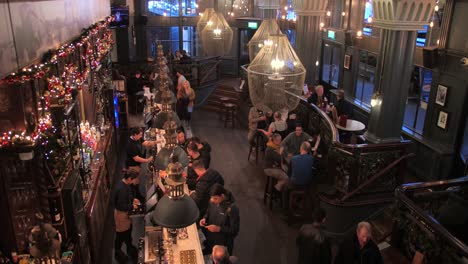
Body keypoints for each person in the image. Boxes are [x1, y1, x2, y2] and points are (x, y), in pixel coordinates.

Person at [200, 184, 240, 255]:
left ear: (222, 196)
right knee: (209, 247)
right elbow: (208, 211)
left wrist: (219, 229)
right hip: (211, 237)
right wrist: (205, 218)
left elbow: (235, 230)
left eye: (215, 198)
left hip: (222, 243)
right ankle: (209, 249)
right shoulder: (212, 201)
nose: (212, 200)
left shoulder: (232, 209)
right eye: (211, 198)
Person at [113, 169, 140, 263]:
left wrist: (133, 200)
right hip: (121, 216)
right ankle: (119, 252)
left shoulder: (124, 185)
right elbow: (121, 206)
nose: (134, 182)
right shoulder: (122, 190)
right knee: (121, 235)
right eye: (133, 180)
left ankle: (129, 248)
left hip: (124, 214)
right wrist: (132, 206)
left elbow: (127, 197)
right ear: (129, 179)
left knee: (126, 233)